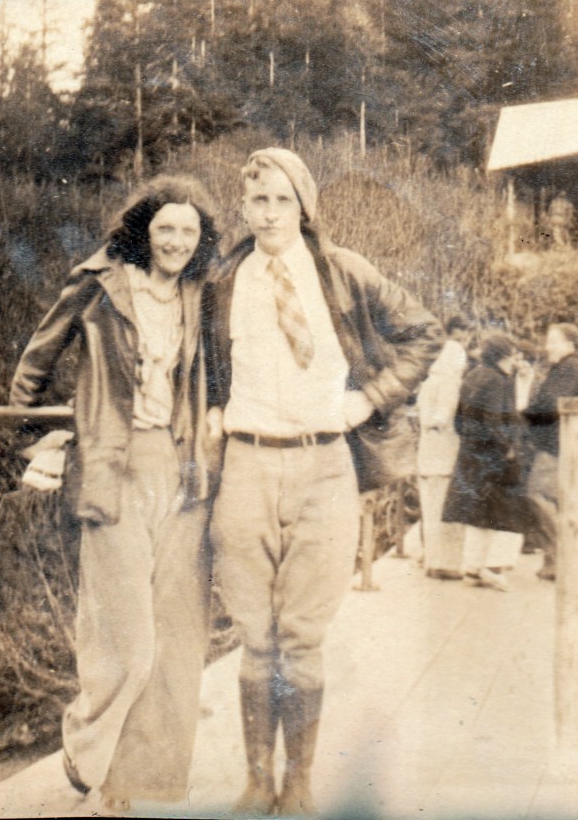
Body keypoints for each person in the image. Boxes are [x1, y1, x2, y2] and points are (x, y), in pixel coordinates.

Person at [206, 147, 443, 816]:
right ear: (243, 207)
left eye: (283, 200)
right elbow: (196, 361)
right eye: (258, 200)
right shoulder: (224, 280)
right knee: (256, 641)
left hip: (324, 468)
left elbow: (425, 333)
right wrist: (213, 406)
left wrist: (370, 398)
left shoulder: (342, 272)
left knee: (302, 639)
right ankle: (257, 782)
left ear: (304, 206)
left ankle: (300, 783)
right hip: (247, 467)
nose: (270, 214)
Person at [9, 175, 221, 810]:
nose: (176, 241)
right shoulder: (99, 284)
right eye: (165, 229)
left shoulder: (200, 293)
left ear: (201, 238)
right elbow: (34, 365)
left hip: (182, 472)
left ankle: (139, 783)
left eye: (188, 231)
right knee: (128, 642)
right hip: (114, 466)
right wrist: (35, 440)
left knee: (177, 640)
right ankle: (86, 743)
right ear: (143, 231)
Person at [442, 333, 530, 592]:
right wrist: (507, 449)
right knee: (510, 510)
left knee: (478, 511)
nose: (515, 360)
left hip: (471, 454)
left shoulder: (473, 375)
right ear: (502, 355)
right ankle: (494, 567)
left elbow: (458, 420)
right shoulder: (496, 380)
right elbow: (494, 422)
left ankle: (472, 566)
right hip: (493, 456)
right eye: (512, 355)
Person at [523, 322, 578, 581]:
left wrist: (524, 414)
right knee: (551, 498)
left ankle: (561, 556)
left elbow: (550, 405)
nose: (547, 346)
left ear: (569, 344)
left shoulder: (570, 368)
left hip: (555, 445)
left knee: (538, 494)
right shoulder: (565, 368)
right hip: (556, 444)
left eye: (553, 341)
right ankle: (555, 560)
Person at [416, 315, 473, 580]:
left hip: (428, 454)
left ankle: (431, 559)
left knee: (430, 509)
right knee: (445, 510)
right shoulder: (450, 382)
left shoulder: (429, 382)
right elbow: (441, 417)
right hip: (445, 454)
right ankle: (444, 563)